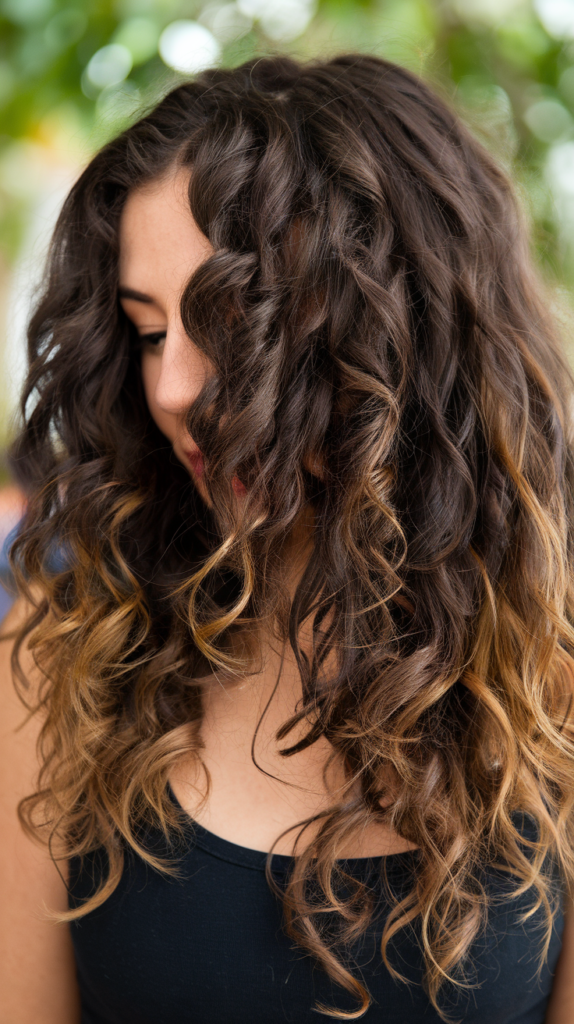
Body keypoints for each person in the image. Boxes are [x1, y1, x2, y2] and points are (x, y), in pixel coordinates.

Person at [2, 51, 574, 1024]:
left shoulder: (550, 685)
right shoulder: (60, 668)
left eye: (227, 320)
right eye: (147, 333)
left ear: (399, 326)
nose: (174, 386)